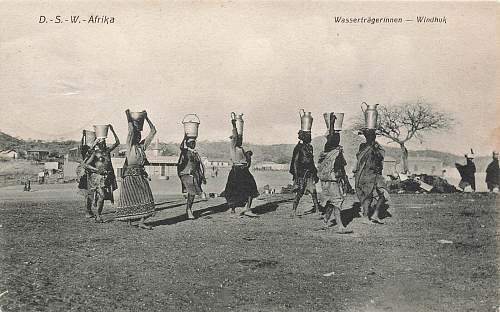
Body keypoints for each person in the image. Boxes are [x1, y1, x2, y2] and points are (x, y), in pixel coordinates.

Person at [115, 110, 157, 229]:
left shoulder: (141, 147)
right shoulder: (129, 146)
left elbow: (153, 132)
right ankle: (132, 221)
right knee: (129, 198)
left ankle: (141, 221)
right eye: (136, 134)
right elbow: (131, 131)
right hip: (129, 176)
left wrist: (147, 118)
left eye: (139, 135)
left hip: (139, 175)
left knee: (146, 196)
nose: (137, 135)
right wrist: (128, 117)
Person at [317, 120, 352, 233]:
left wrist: (332, 124)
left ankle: (325, 221)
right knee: (337, 201)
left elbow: (341, 167)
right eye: (337, 138)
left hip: (326, 180)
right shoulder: (334, 151)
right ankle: (340, 226)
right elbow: (340, 168)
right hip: (332, 180)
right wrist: (332, 123)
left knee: (332, 202)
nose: (338, 139)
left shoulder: (328, 150)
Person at [221, 117, 259, 217]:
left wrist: (248, 159)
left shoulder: (242, 149)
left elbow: (247, 161)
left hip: (244, 171)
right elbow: (234, 136)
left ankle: (248, 208)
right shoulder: (233, 146)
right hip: (236, 171)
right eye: (238, 138)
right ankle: (233, 210)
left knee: (251, 188)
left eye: (241, 138)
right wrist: (234, 125)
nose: (240, 140)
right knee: (233, 190)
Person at [83, 125, 119, 223]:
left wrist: (112, 130)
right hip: (96, 178)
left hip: (105, 178)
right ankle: (96, 215)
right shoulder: (95, 153)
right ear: (98, 143)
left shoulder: (107, 151)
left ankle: (97, 215)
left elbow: (117, 142)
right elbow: (85, 165)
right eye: (101, 141)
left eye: (104, 141)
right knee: (100, 196)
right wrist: (96, 170)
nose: (104, 142)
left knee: (101, 196)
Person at [353, 129, 390, 224]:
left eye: (371, 136)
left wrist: (375, 148)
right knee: (367, 196)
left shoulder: (377, 147)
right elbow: (359, 158)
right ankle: (365, 217)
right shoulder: (363, 146)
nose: (369, 138)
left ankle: (375, 214)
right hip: (365, 174)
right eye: (367, 136)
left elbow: (380, 157)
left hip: (376, 174)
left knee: (384, 193)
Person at [290, 130, 321, 216]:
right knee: (300, 192)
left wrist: (315, 173)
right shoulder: (299, 148)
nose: (310, 138)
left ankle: (317, 210)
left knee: (313, 192)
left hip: (310, 173)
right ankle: (293, 210)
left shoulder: (310, 147)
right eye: (308, 136)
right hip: (301, 174)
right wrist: (296, 176)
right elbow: (295, 163)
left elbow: (311, 161)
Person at [177, 135, 207, 219]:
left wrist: (203, 177)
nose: (193, 144)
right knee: (191, 189)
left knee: (192, 194)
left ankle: (189, 209)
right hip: (186, 174)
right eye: (191, 143)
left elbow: (198, 166)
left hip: (195, 175)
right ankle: (201, 193)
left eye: (194, 143)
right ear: (187, 143)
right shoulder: (185, 152)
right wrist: (184, 137)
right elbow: (181, 147)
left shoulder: (195, 153)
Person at [76, 130, 97, 218]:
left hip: (85, 174)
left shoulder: (85, 150)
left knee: (88, 195)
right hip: (87, 174)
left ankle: (88, 211)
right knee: (89, 195)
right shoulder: (90, 151)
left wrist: (83, 136)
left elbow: (81, 145)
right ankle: (88, 211)